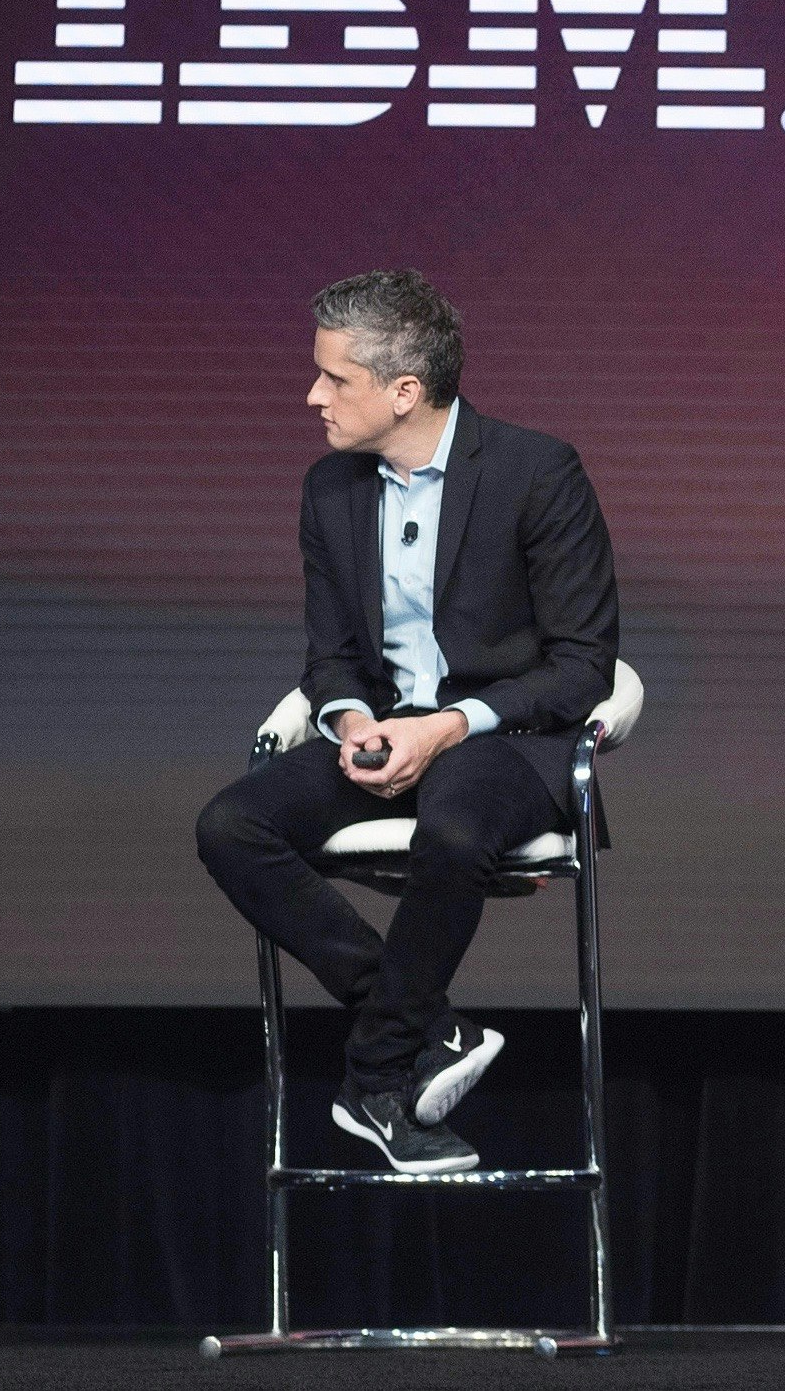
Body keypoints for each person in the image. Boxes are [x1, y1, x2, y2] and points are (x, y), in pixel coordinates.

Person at [195, 270, 621, 1173]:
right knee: (232, 824)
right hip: (387, 729)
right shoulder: (330, 489)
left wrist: (450, 725)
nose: (313, 396)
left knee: (454, 825)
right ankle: (427, 1027)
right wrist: (351, 719)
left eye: (334, 377)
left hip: (505, 739)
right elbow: (330, 657)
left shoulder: (537, 471)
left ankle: (380, 1067)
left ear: (404, 390)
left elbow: (583, 664)